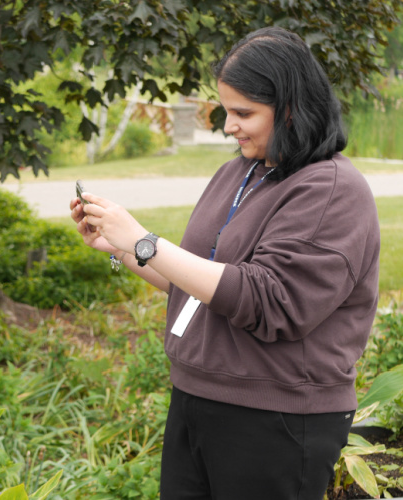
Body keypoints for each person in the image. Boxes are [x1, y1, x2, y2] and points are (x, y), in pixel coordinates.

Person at [70, 27, 380, 500]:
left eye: (244, 113)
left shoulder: (332, 189)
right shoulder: (242, 171)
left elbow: (272, 301)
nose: (228, 125)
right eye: (226, 110)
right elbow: (200, 278)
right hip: (197, 399)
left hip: (276, 419)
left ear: (292, 108)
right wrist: (119, 247)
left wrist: (145, 240)